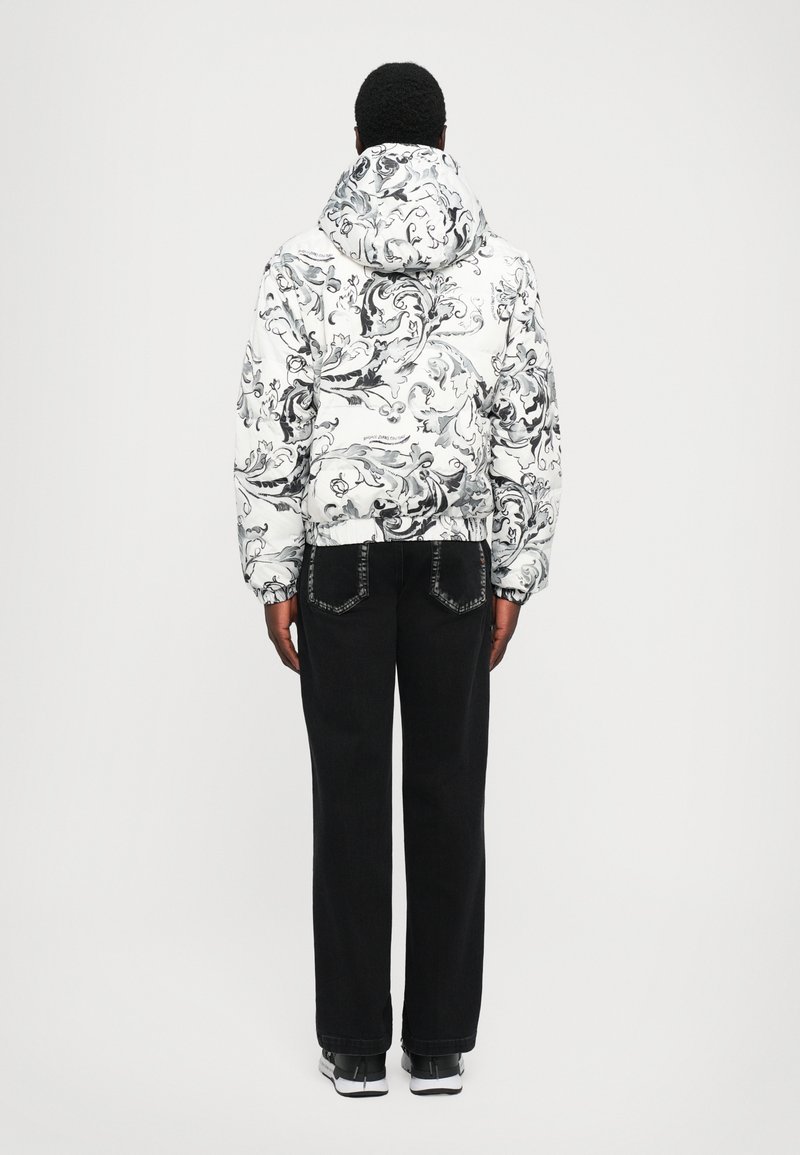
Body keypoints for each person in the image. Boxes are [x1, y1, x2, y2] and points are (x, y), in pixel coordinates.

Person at [234, 61, 562, 1097]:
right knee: (449, 791)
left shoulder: (298, 265)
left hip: (340, 559)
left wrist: (272, 570)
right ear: (443, 140)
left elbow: (270, 423)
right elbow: (529, 427)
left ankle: (350, 1046)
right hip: (458, 557)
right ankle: (438, 1045)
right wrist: (514, 570)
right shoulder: (503, 270)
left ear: (358, 142)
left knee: (348, 794)